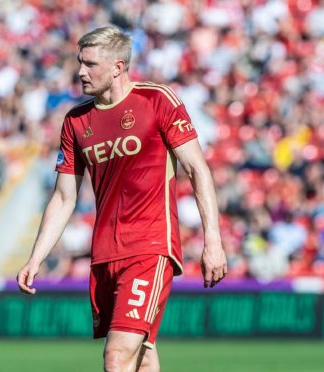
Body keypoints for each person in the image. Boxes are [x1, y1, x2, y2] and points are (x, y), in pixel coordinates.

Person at [17, 26, 227, 372]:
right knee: (142, 357)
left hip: (150, 246)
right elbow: (63, 197)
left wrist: (213, 243)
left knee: (116, 357)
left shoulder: (157, 100)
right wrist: (35, 258)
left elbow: (197, 170)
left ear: (117, 66)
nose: (81, 72)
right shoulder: (75, 121)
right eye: (79, 63)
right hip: (105, 253)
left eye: (90, 64)